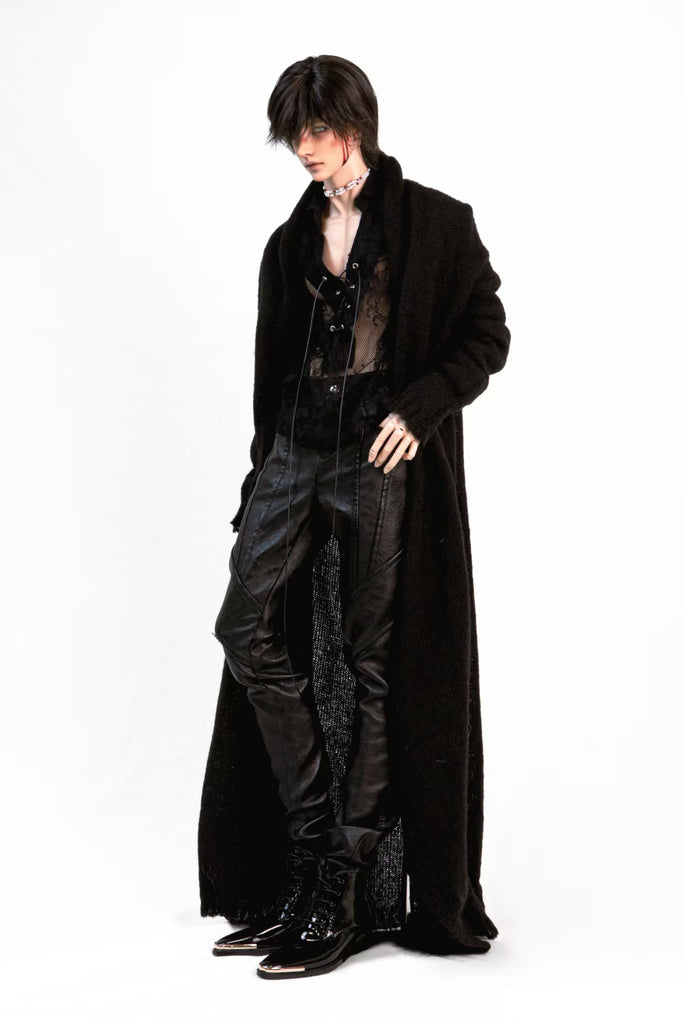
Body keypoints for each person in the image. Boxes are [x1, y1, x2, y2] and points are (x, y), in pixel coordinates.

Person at [199, 54, 511, 979]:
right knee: (244, 626)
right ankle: (309, 848)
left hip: (375, 455)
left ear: (355, 124)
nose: (304, 147)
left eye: (317, 130)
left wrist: (420, 408)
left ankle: (340, 884)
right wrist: (259, 479)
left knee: (374, 662)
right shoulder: (288, 242)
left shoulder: (435, 224)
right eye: (293, 133)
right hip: (295, 451)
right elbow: (271, 375)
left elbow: (486, 335)